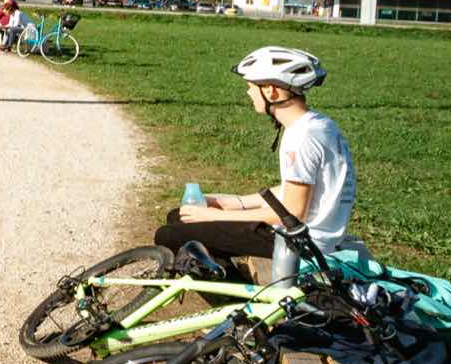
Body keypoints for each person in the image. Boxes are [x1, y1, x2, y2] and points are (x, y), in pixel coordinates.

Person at [153, 47, 358, 270]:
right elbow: (299, 190)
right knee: (180, 216)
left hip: (301, 243)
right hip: (314, 234)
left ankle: (239, 298)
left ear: (271, 91)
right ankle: (220, 269)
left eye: (251, 87)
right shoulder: (319, 124)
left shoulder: (301, 137)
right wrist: (235, 203)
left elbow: (294, 213)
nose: (248, 93)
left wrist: (216, 215)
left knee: (169, 235)